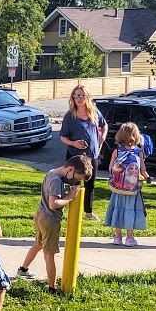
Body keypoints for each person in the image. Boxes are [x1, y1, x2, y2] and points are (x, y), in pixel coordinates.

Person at [16, 155, 94, 292]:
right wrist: (70, 197)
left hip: (40, 215)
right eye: (76, 177)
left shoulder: (52, 172)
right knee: (49, 254)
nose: (76, 181)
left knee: (38, 244)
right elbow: (54, 204)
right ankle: (52, 287)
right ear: (70, 169)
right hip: (50, 220)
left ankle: (23, 269)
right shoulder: (56, 181)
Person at [58, 86, 107, 221]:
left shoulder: (95, 112)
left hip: (92, 156)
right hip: (75, 157)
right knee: (74, 184)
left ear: (87, 97)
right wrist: (73, 143)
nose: (79, 99)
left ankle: (88, 213)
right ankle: (72, 212)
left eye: (81, 96)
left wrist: (102, 138)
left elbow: (104, 125)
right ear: (72, 98)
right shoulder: (70, 116)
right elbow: (62, 137)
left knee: (90, 185)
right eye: (76, 96)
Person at [105, 121, 148, 247]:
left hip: (118, 188)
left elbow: (110, 168)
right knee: (130, 211)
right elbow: (143, 169)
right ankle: (129, 238)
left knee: (118, 209)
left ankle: (117, 236)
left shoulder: (117, 151)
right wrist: (146, 177)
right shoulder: (138, 152)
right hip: (132, 189)